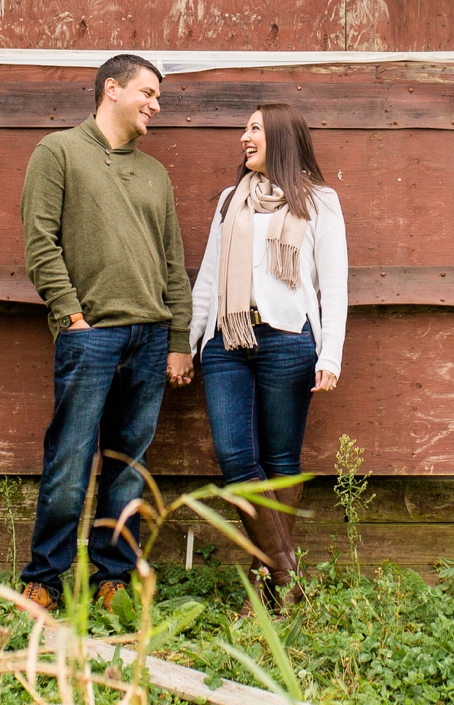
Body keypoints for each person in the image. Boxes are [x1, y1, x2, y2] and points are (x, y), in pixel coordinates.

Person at [18, 53, 195, 611]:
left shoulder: (155, 173)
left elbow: (173, 262)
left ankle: (112, 578)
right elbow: (40, 243)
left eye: (159, 97)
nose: (155, 105)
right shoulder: (59, 153)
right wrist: (71, 317)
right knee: (69, 462)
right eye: (148, 93)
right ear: (112, 89)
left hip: (149, 337)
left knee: (127, 469)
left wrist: (178, 338)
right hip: (90, 337)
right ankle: (45, 580)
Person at [189, 102, 348, 609]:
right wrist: (189, 342)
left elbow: (334, 285)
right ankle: (286, 575)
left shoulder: (320, 201)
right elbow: (208, 279)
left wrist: (331, 356)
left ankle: (266, 581)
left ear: (279, 137)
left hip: (287, 340)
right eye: (244, 128)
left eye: (253, 129)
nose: (243, 137)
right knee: (236, 457)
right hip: (226, 342)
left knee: (280, 459)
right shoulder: (228, 200)